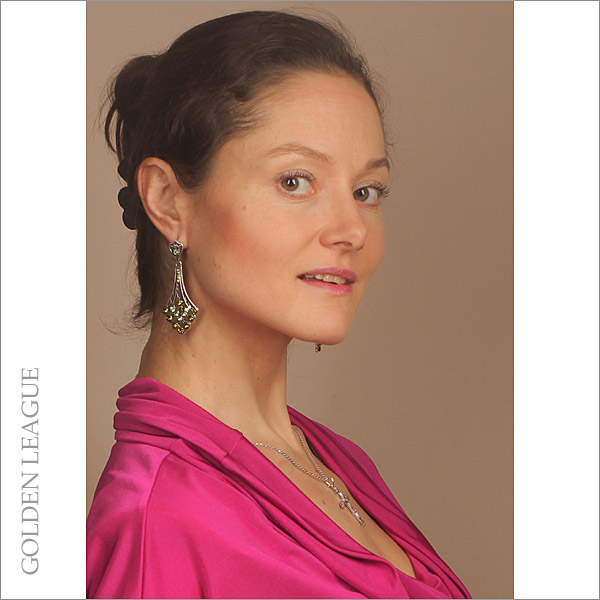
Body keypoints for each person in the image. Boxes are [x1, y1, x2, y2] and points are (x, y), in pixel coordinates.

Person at [86, 10, 471, 599]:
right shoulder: (156, 525)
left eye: (366, 191)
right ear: (167, 201)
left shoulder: (334, 459)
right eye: (295, 181)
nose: (353, 230)